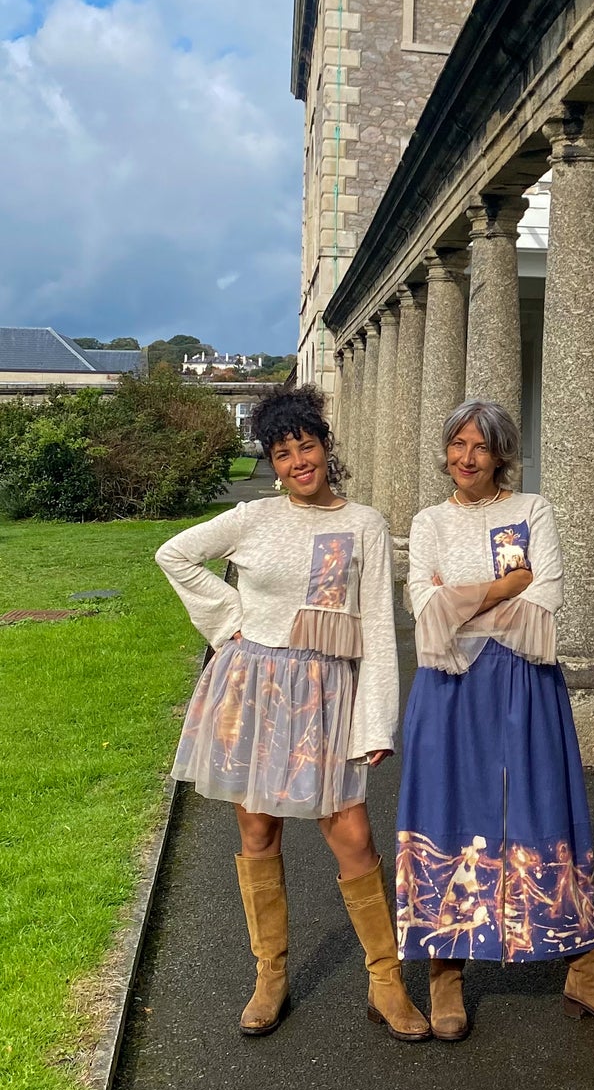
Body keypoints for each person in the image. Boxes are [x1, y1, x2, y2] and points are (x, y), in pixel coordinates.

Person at [155, 383, 429, 1043]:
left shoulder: (363, 524)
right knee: (258, 832)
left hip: (326, 695)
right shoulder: (252, 518)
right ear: (273, 463)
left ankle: (386, 981)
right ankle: (269, 976)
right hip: (254, 690)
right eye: (282, 453)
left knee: (352, 835)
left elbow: (376, 628)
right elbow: (174, 554)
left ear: (325, 447)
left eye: (305, 446)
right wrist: (230, 622)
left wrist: (375, 722)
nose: (297, 462)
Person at [396, 399, 594, 1041]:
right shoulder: (428, 522)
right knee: (447, 810)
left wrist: (460, 604)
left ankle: (586, 971)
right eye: (458, 444)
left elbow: (547, 598)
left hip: (525, 682)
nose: (467, 457)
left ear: (501, 454)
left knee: (545, 808)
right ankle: (445, 972)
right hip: (449, 688)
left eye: (480, 446)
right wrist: (504, 588)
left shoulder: (531, 511)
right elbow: (422, 608)